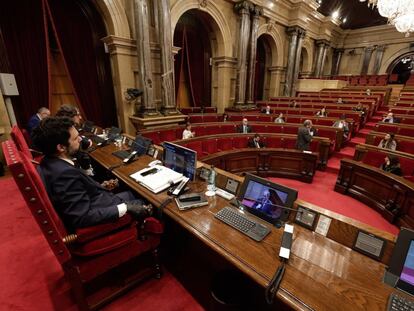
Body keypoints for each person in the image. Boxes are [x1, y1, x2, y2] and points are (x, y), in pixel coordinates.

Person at [31, 117, 152, 231]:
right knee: (145, 200)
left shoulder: (48, 161)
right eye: (75, 138)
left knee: (130, 192)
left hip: (97, 200)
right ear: (61, 147)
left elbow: (76, 191)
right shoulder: (64, 174)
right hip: (100, 213)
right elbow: (82, 217)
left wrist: (100, 186)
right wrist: (127, 207)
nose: (80, 140)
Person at [56, 104, 94, 175]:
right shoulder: (65, 132)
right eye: (78, 115)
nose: (80, 117)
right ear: (70, 117)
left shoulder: (63, 128)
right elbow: (85, 142)